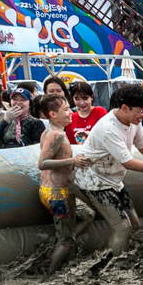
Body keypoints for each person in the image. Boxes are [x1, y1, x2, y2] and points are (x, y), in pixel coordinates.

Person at [80, 83, 143, 257]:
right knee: (123, 228)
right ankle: (114, 266)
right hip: (95, 182)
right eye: (140, 111)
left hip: (114, 180)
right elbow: (128, 163)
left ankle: (118, 255)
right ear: (125, 108)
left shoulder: (134, 121)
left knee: (135, 224)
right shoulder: (109, 128)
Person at [35, 94, 94, 274]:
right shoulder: (56, 134)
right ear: (53, 114)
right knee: (65, 240)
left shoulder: (51, 131)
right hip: (57, 194)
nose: (71, 112)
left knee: (88, 214)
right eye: (66, 109)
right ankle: (50, 275)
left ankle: (68, 237)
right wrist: (72, 161)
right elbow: (42, 163)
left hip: (56, 191)